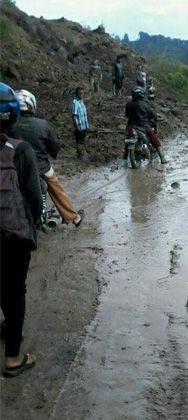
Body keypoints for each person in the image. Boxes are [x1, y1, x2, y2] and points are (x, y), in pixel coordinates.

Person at [0, 82, 42, 378]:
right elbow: (35, 198)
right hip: (13, 235)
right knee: (15, 291)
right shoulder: (20, 150)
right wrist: (33, 226)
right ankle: (13, 359)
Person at [11, 89, 83, 226]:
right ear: (32, 105)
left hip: (15, 167)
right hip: (41, 167)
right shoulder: (42, 124)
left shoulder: (9, 125)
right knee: (55, 186)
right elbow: (54, 146)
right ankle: (73, 217)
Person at [125, 86, 167, 164]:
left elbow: (127, 115)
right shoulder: (144, 104)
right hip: (143, 126)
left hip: (131, 125)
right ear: (141, 95)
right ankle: (163, 159)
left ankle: (124, 158)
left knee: (127, 140)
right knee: (156, 141)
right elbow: (153, 114)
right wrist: (155, 117)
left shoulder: (128, 104)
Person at [70, 87, 89, 159]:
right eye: (79, 93)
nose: (81, 95)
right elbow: (74, 116)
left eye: (82, 93)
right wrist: (77, 127)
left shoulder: (82, 102)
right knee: (79, 141)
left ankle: (80, 155)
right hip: (79, 126)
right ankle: (80, 156)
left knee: (82, 141)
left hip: (84, 126)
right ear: (76, 94)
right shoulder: (75, 103)